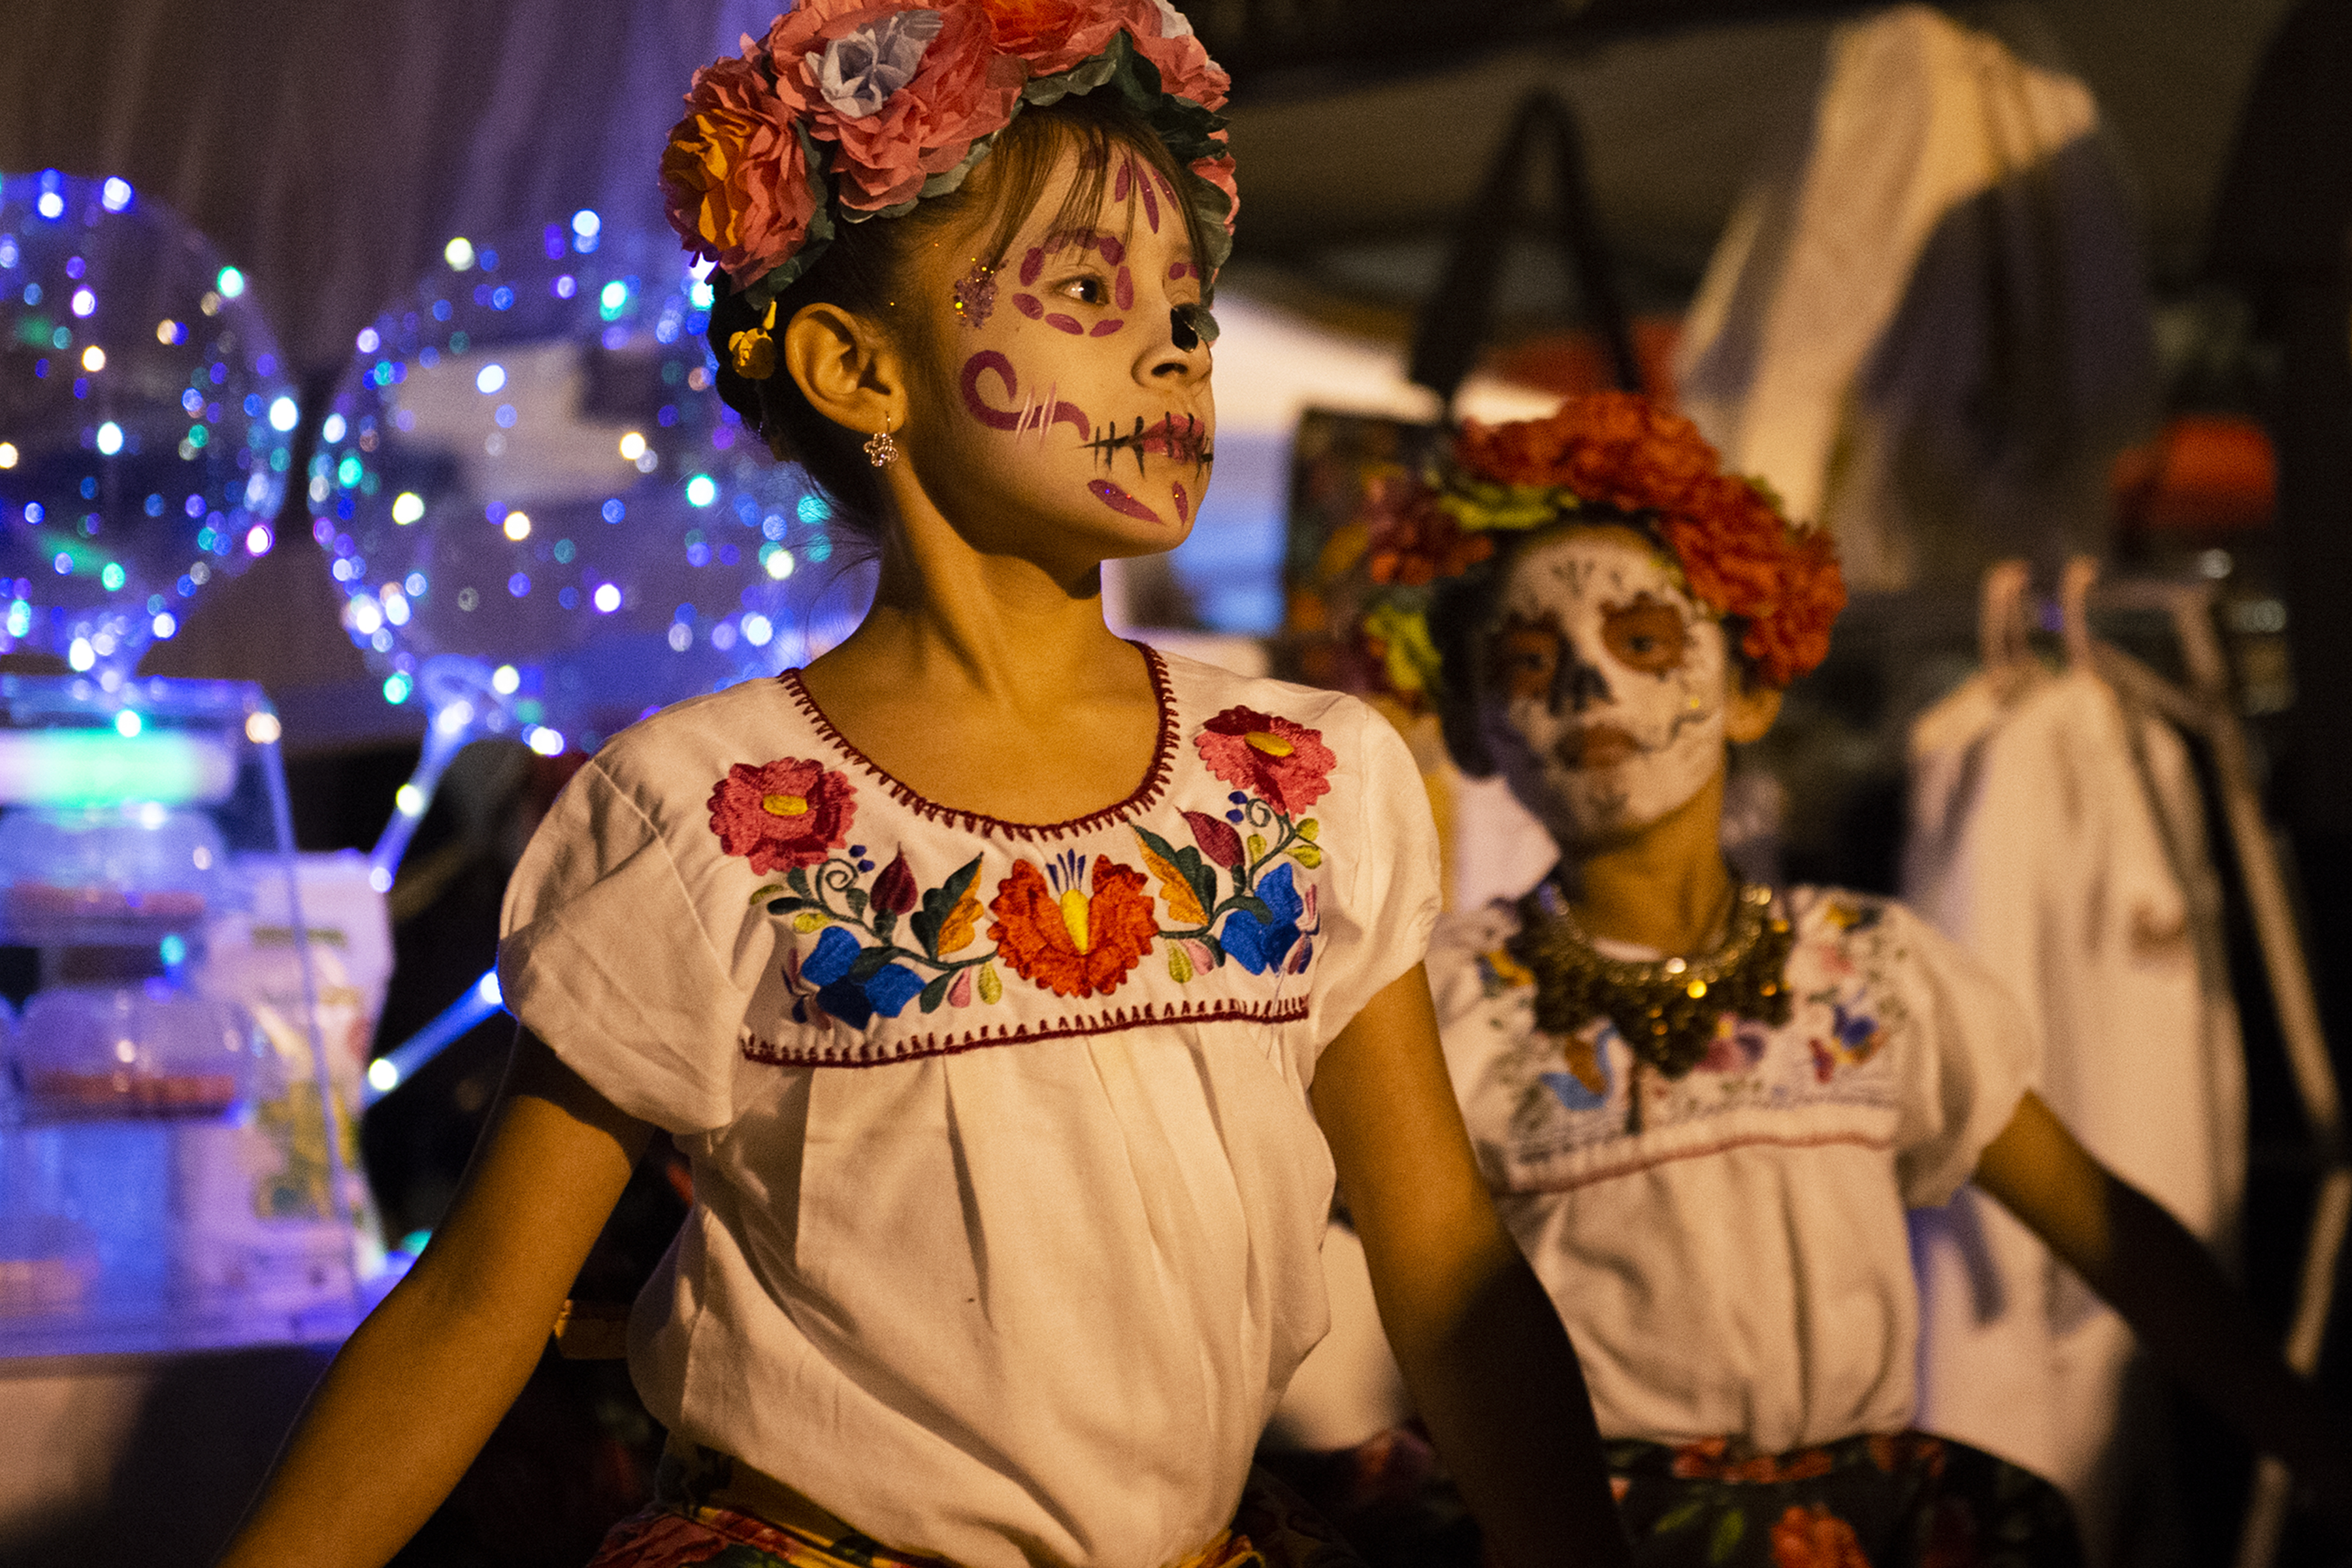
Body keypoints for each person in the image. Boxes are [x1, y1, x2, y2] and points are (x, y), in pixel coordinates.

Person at [216, 7, 1635, 1567]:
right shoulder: (706, 810)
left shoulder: (1309, 779)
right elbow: (482, 1298)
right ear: (855, 367)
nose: (1174, 347)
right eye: (1090, 291)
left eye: (1191, 312)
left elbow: (1444, 1269)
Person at [1314, 391, 2352, 1564]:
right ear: (1468, 728)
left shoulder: (1873, 975)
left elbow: (2118, 1241)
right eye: (1531, 662)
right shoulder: (1441, 1005)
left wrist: (2318, 1450)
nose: (1591, 691)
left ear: (1752, 686)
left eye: (1645, 643)